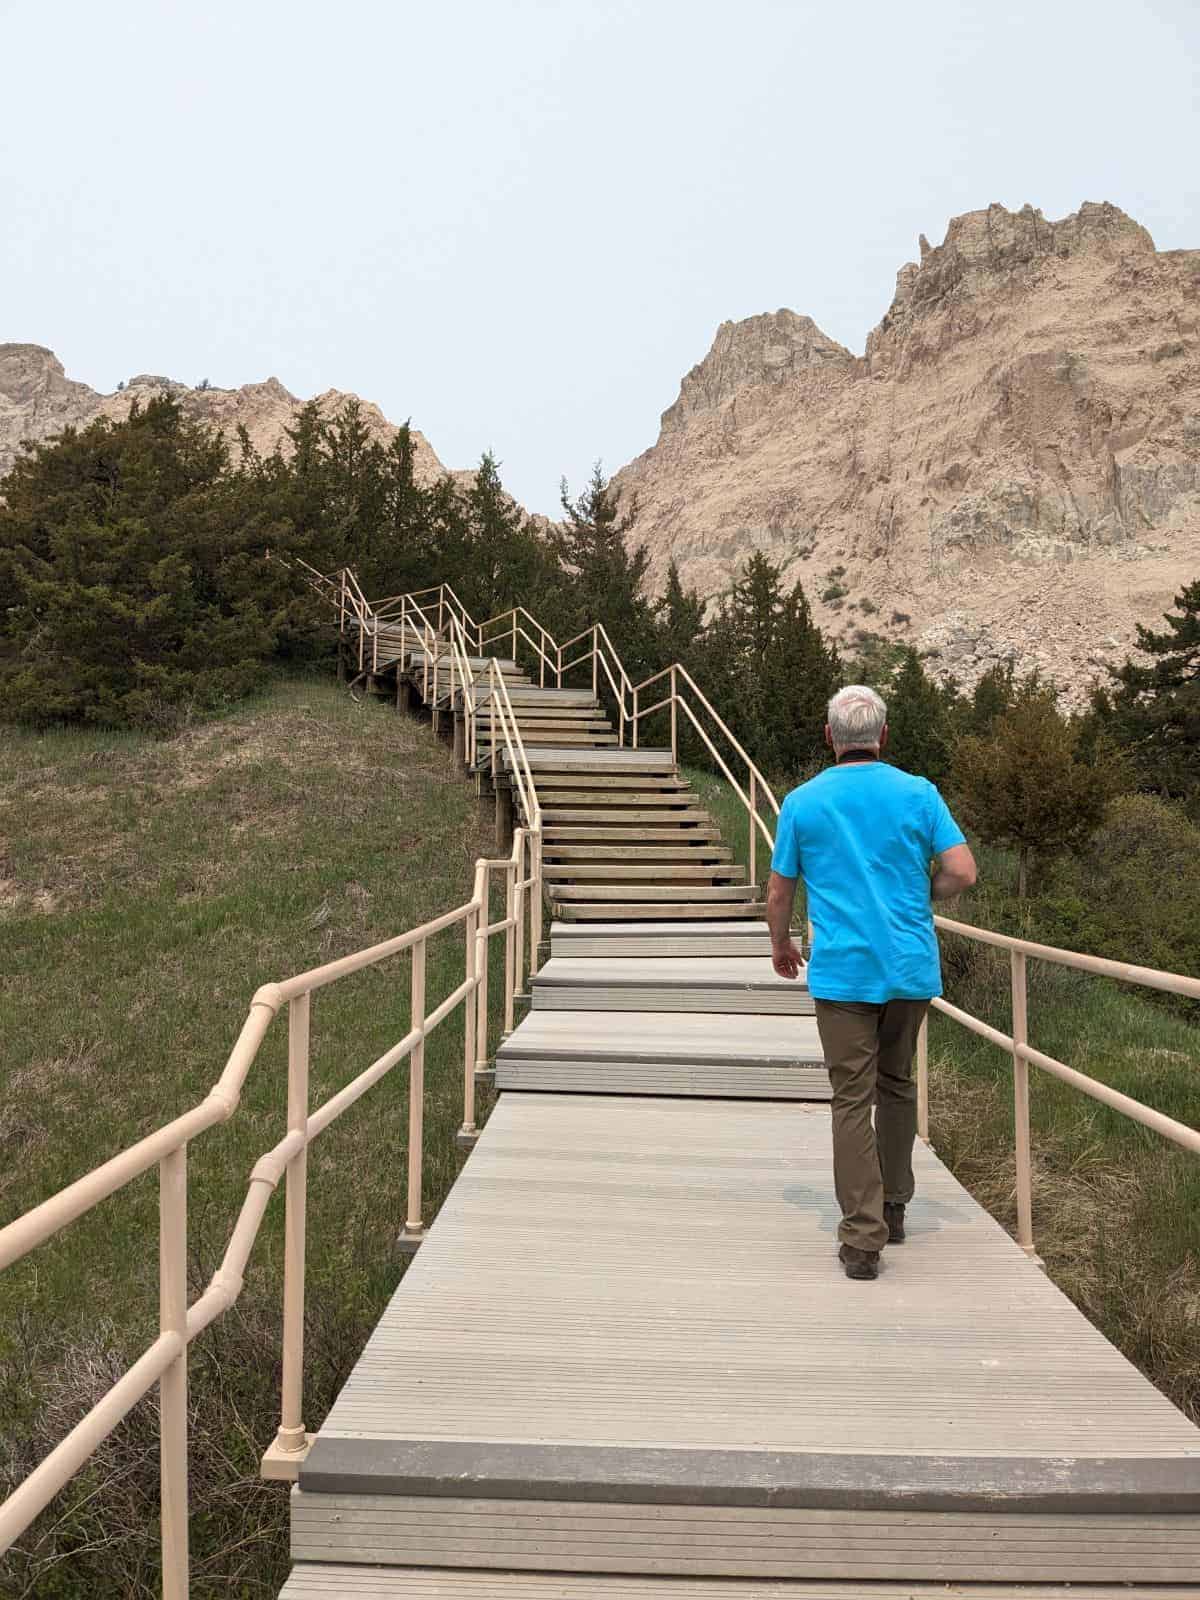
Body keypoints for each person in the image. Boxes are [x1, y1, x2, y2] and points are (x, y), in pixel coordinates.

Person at [765, 685, 976, 1281]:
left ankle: (863, 1239)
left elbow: (780, 890)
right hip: (909, 967)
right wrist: (919, 895)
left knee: (851, 1097)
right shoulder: (919, 792)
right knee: (898, 1083)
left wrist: (781, 944)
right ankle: (895, 1204)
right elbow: (961, 870)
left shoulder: (803, 801)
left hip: (843, 972)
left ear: (830, 737)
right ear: (882, 737)